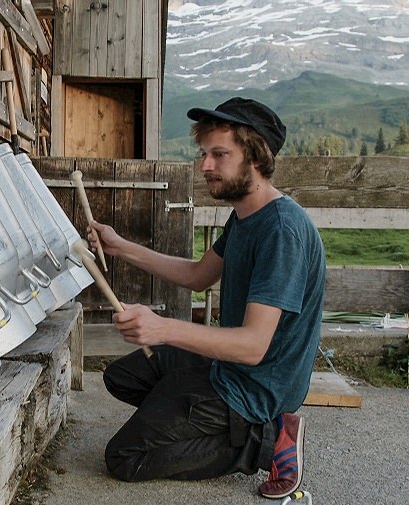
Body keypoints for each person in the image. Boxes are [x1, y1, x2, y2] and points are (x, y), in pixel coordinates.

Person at [86, 97, 326, 499]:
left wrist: (161, 329)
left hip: (258, 386)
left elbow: (252, 347)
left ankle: (265, 439)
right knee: (122, 377)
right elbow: (198, 276)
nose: (205, 166)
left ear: (255, 158)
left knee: (125, 457)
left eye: (219, 154)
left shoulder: (282, 231)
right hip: (228, 367)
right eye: (204, 154)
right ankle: (193, 412)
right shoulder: (245, 216)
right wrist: (121, 247)